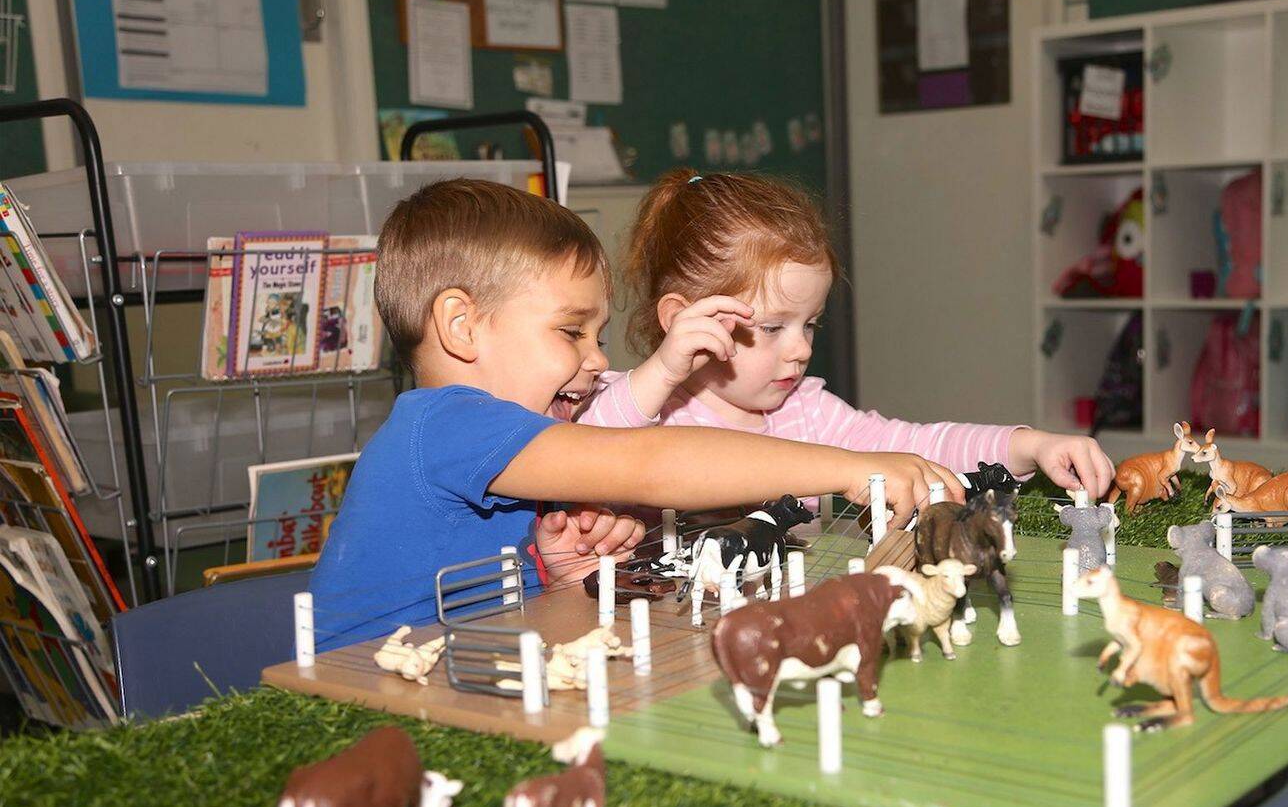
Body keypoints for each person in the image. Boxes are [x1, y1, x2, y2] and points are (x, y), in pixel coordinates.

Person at [309, 179, 960, 650]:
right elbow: (654, 462)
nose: (597, 361)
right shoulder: (444, 424)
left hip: (459, 673)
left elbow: (506, 609)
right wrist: (846, 469)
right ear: (461, 326)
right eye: (571, 333)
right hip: (360, 698)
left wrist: (560, 574)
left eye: (599, 335)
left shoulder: (518, 441)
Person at [574, 169, 1114, 498]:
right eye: (771, 328)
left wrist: (1029, 445)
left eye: (808, 324)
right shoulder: (638, 405)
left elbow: (912, 446)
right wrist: (664, 372)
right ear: (683, 322)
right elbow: (580, 456)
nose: (802, 348)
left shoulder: (805, 413)